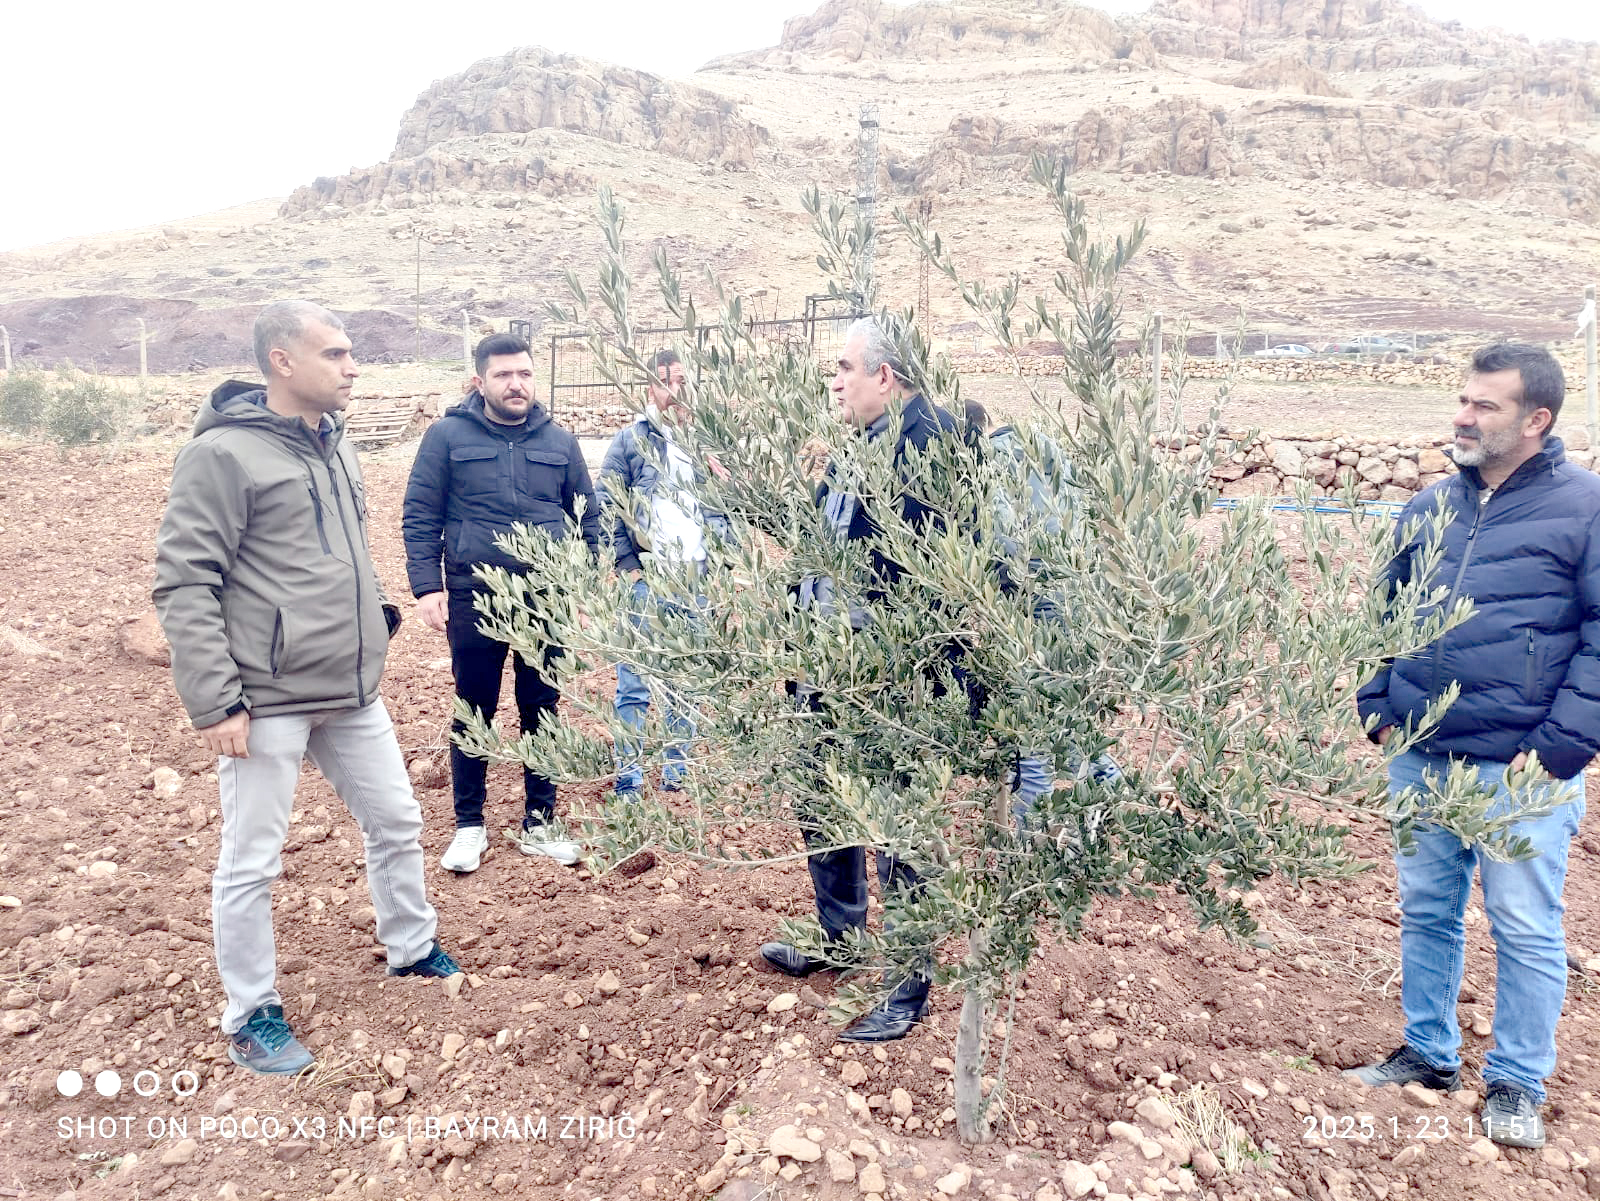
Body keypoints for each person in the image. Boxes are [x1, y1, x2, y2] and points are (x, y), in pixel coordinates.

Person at [154, 301, 458, 1076]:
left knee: (397, 819)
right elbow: (185, 581)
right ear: (282, 361)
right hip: (266, 697)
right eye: (336, 353)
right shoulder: (222, 456)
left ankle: (411, 946)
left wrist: (375, 613)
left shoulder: (335, 443)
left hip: (349, 688)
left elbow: (346, 549)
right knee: (252, 860)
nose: (353, 366)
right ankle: (251, 1011)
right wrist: (216, 700)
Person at [1351, 343, 1599, 1149]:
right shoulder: (1430, 505)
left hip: (1520, 768)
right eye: (1463, 399)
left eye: (1484, 405)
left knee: (1524, 926)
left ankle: (1517, 1081)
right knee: (1428, 909)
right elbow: (1383, 609)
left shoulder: (1586, 508)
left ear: (1536, 419)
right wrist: (1376, 703)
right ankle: (1428, 1054)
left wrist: (1563, 744)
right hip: (1421, 753)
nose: (1462, 415)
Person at [758, 315, 963, 1043]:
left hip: (886, 681)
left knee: (897, 827)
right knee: (824, 801)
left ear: (885, 374)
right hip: (828, 670)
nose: (835, 382)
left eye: (844, 368)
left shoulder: (933, 441)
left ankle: (908, 982)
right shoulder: (859, 445)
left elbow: (939, 574)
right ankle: (839, 938)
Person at [403, 332, 600, 872]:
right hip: (476, 596)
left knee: (543, 708)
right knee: (475, 708)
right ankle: (469, 825)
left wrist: (585, 586)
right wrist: (428, 587)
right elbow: (420, 513)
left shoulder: (559, 441)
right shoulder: (446, 436)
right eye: (504, 375)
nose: (517, 384)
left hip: (546, 597)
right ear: (479, 381)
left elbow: (587, 517)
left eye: (525, 374)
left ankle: (541, 822)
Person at [595, 348, 733, 799]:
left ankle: (676, 771)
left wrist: (724, 560)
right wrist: (627, 565)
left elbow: (727, 509)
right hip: (647, 579)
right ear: (648, 387)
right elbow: (606, 504)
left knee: (686, 680)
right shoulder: (629, 441)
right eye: (665, 381)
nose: (675, 390)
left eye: (682, 381)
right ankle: (629, 778)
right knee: (634, 683)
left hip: (695, 579)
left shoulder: (706, 443)